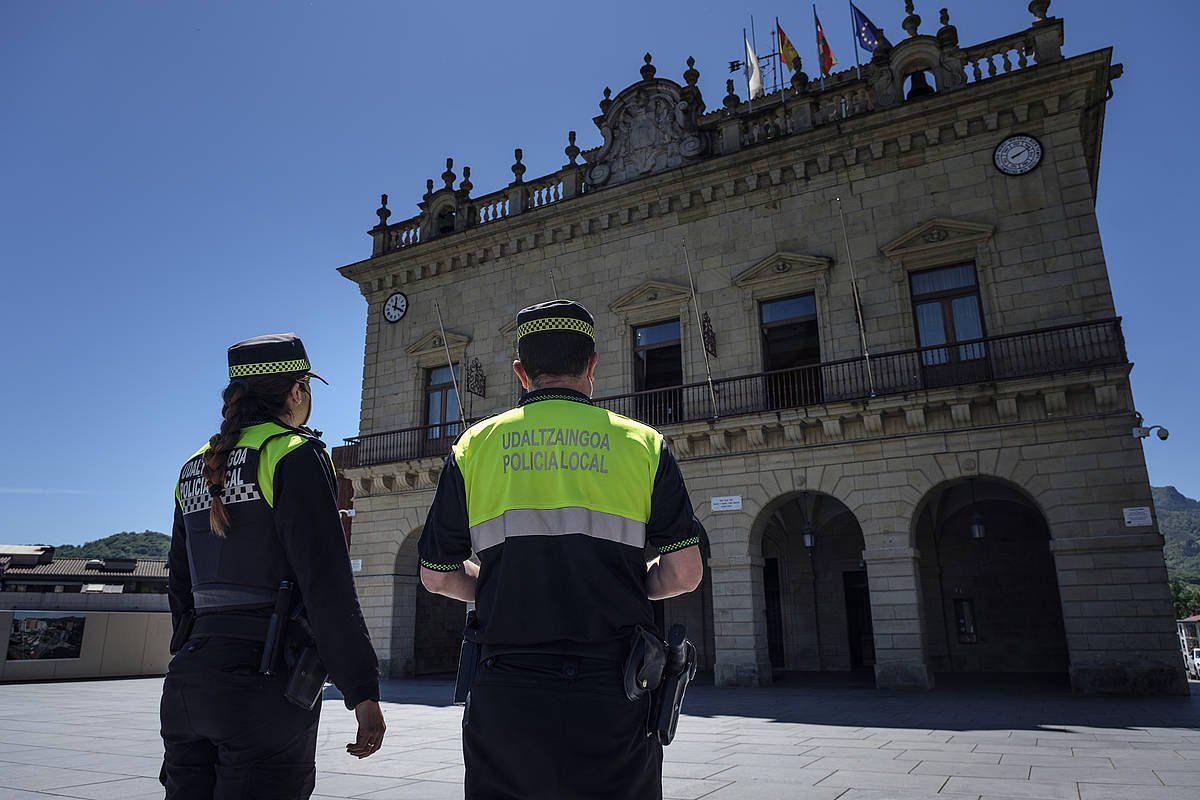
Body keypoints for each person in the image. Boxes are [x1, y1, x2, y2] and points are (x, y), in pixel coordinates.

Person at [419, 300, 704, 800]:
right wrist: (632, 581)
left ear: (520, 372)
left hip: (506, 688)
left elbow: (437, 575)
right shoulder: (644, 446)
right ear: (592, 364)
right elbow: (684, 572)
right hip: (614, 688)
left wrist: (498, 585)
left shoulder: (473, 447)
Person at [160, 333, 386, 799]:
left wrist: (193, 654)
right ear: (296, 392)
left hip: (189, 682)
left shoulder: (193, 467)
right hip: (264, 685)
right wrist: (361, 691)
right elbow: (326, 585)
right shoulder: (294, 454)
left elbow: (179, 584)